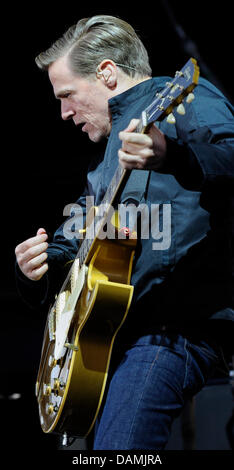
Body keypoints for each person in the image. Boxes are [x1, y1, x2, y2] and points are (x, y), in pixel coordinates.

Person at [15, 15, 234, 450]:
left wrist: (172, 154)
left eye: (67, 96)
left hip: (174, 329)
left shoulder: (185, 99)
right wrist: (39, 265)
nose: (63, 113)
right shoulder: (104, 167)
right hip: (110, 339)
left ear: (108, 73)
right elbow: (72, 241)